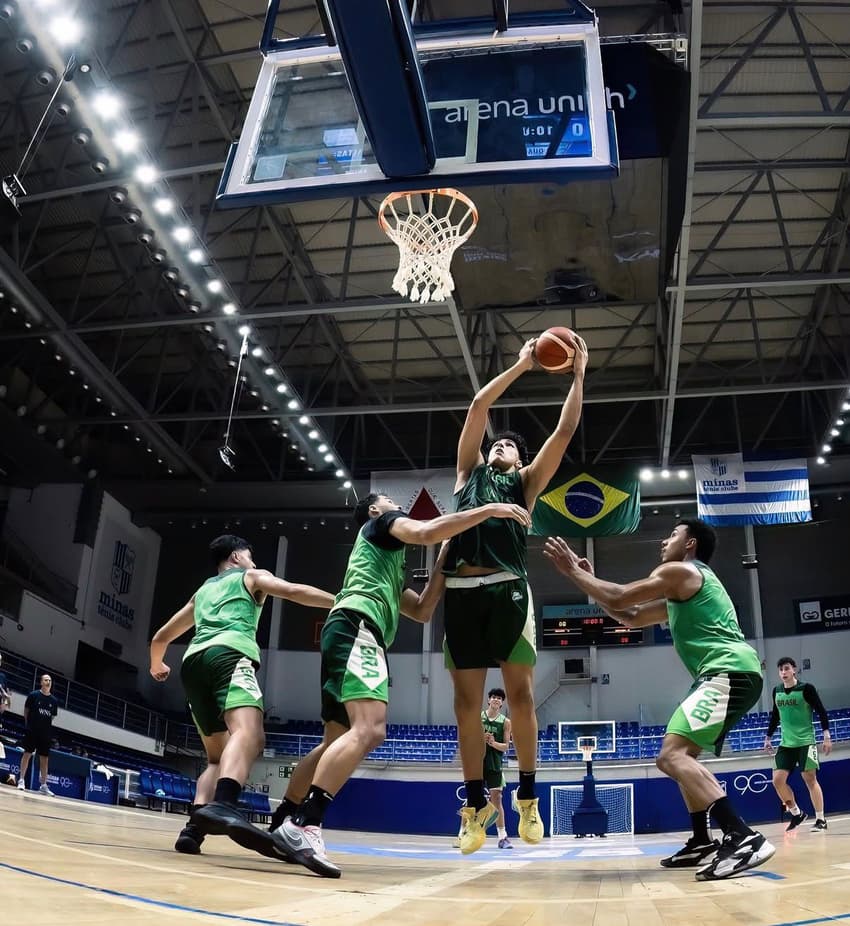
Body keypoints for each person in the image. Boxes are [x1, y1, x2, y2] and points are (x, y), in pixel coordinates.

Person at [271, 492, 532, 877]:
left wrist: (445, 554)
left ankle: (282, 818)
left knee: (335, 740)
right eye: (391, 499)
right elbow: (425, 532)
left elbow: (423, 610)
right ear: (375, 509)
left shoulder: (386, 563)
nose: (397, 504)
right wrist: (489, 510)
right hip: (359, 627)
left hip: (347, 628)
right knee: (370, 729)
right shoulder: (381, 524)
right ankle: (305, 823)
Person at [543, 520, 775, 881]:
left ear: (690, 544)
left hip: (727, 670)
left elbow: (621, 596)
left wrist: (573, 571)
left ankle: (743, 836)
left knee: (670, 756)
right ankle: (702, 841)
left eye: (673, 535)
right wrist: (590, 581)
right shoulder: (685, 588)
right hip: (729, 672)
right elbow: (630, 616)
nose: (664, 542)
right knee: (685, 758)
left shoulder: (681, 571)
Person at [444, 335, 588, 855]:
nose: (501, 447)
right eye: (497, 444)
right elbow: (479, 405)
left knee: (521, 696)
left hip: (508, 589)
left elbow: (564, 431)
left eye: (510, 447)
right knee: (465, 706)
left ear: (521, 460)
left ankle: (527, 796)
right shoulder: (467, 475)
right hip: (461, 591)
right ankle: (473, 808)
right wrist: (523, 364)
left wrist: (578, 376)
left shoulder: (524, 484)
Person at [150, 534, 335, 860]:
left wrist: (157, 665)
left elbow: (161, 637)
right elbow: (294, 591)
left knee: (217, 759)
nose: (253, 561)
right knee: (250, 733)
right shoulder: (250, 576)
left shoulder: (202, 592)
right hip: (229, 655)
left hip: (192, 664)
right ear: (236, 557)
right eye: (249, 556)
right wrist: (339, 602)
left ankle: (193, 828)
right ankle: (225, 804)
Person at [764, 657, 831, 832]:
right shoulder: (776, 691)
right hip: (786, 744)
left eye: (786, 668)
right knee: (777, 781)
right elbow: (775, 715)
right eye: (780, 669)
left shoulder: (806, 689)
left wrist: (826, 736)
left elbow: (821, 711)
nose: (783, 672)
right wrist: (768, 737)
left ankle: (821, 820)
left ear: (794, 670)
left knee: (810, 779)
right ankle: (797, 813)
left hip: (806, 742)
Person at [454, 687, 513, 849]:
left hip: (494, 763)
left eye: (499, 698)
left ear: (502, 703)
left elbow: (506, 746)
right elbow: (467, 737)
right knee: (471, 799)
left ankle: (503, 837)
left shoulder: (506, 722)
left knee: (497, 799)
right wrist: (480, 738)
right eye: (493, 697)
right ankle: (461, 835)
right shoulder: (478, 717)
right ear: (488, 700)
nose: (496, 699)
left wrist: (492, 743)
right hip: (477, 762)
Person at [18, 673, 60, 795]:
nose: (48, 682)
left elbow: (52, 716)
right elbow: (26, 711)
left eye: (50, 680)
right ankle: (21, 780)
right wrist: (29, 724)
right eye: (46, 680)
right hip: (32, 731)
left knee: (44, 759)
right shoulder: (33, 695)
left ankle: (43, 785)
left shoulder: (54, 701)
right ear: (41, 682)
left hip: (45, 734)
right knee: (27, 754)